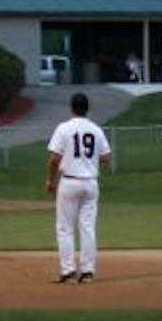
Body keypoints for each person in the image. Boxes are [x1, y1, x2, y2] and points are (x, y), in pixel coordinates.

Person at [45, 91, 112, 283]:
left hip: (70, 181)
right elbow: (106, 157)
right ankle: (88, 271)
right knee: (88, 227)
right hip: (90, 182)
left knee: (65, 228)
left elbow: (54, 158)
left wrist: (50, 180)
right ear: (87, 109)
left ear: (71, 108)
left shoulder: (64, 128)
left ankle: (68, 271)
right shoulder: (96, 130)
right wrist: (88, 158)